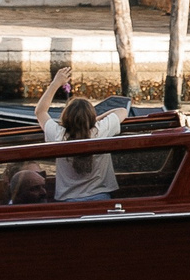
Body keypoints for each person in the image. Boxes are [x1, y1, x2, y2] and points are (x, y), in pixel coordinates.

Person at [30, 66, 125, 202]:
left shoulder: (59, 134)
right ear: (91, 118)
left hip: (67, 201)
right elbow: (122, 111)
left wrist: (55, 83)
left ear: (66, 117)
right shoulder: (101, 129)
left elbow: (40, 111)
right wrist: (92, 121)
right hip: (100, 198)